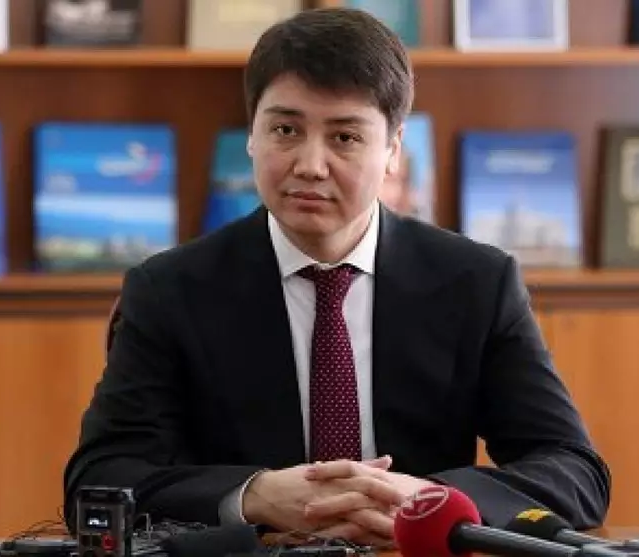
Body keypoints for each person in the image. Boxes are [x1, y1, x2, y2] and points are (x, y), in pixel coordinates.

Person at [63, 7, 610, 547]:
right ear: (251, 135)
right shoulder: (169, 290)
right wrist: (252, 496)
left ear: (393, 149)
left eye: (345, 137)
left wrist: (432, 499)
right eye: (285, 129)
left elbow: (574, 470)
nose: (310, 164)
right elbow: (99, 478)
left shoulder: (477, 283)